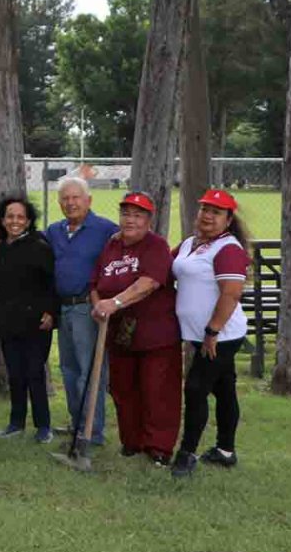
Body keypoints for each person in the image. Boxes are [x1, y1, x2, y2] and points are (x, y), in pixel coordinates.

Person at [92, 191, 180, 466]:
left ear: (149, 221)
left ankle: (159, 448)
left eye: (138, 215)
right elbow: (96, 283)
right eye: (126, 214)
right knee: (123, 389)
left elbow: (149, 283)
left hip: (155, 334)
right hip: (119, 334)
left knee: (157, 391)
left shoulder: (156, 246)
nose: (130, 220)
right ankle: (131, 442)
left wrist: (115, 302)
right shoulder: (112, 246)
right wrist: (99, 306)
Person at [171, 189, 250, 478]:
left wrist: (212, 331)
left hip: (221, 336)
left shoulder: (228, 248)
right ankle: (225, 451)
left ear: (228, 220)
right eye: (204, 209)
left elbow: (230, 293)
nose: (207, 216)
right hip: (198, 333)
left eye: (216, 212)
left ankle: (186, 454)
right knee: (224, 388)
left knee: (195, 388)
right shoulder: (190, 244)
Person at [42, 175, 118, 444]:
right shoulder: (54, 231)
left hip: (89, 308)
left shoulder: (106, 230)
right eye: (65, 198)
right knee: (69, 369)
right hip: (63, 309)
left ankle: (92, 431)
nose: (70, 203)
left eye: (76, 197)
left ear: (89, 200)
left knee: (90, 370)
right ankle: (77, 423)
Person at [0, 195, 57, 442]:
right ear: (2, 220)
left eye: (20, 217)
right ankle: (16, 423)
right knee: (15, 373)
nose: (15, 221)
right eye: (10, 217)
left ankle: (43, 427)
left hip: (37, 321)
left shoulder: (40, 246)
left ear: (28, 221)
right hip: (8, 320)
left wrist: (51, 312)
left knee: (34, 372)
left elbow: (52, 283)